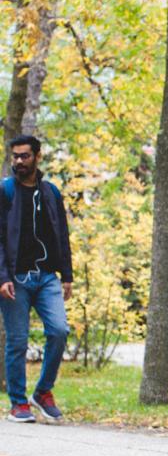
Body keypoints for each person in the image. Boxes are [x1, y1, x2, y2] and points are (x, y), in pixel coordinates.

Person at [0, 135, 73, 423]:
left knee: (59, 330)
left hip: (46, 277)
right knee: (17, 342)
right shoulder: (5, 192)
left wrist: (66, 275)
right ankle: (18, 403)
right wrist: (2, 276)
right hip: (14, 278)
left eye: (25, 156)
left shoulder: (51, 193)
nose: (19, 161)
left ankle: (42, 392)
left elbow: (62, 236)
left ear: (37, 156)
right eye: (15, 156)